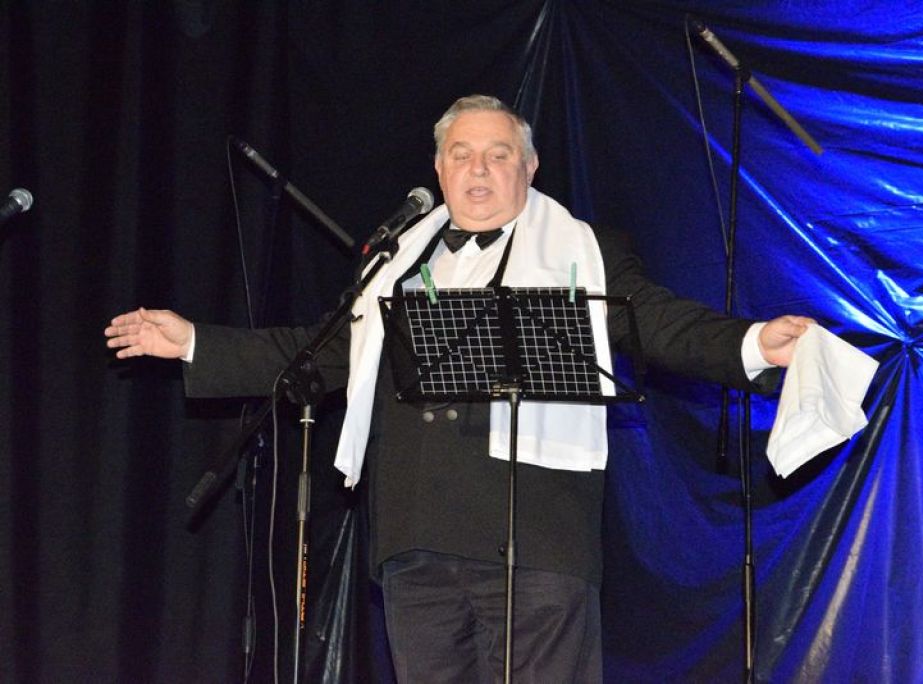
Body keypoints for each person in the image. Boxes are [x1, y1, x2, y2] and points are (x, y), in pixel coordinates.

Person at [106, 94, 813, 682]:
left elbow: (656, 321)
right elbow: (319, 356)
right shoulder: (396, 261)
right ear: (439, 170)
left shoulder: (584, 249)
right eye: (461, 154)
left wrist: (753, 343)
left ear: (529, 168)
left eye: (498, 155)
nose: (478, 169)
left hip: (537, 539)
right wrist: (195, 342)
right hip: (416, 540)